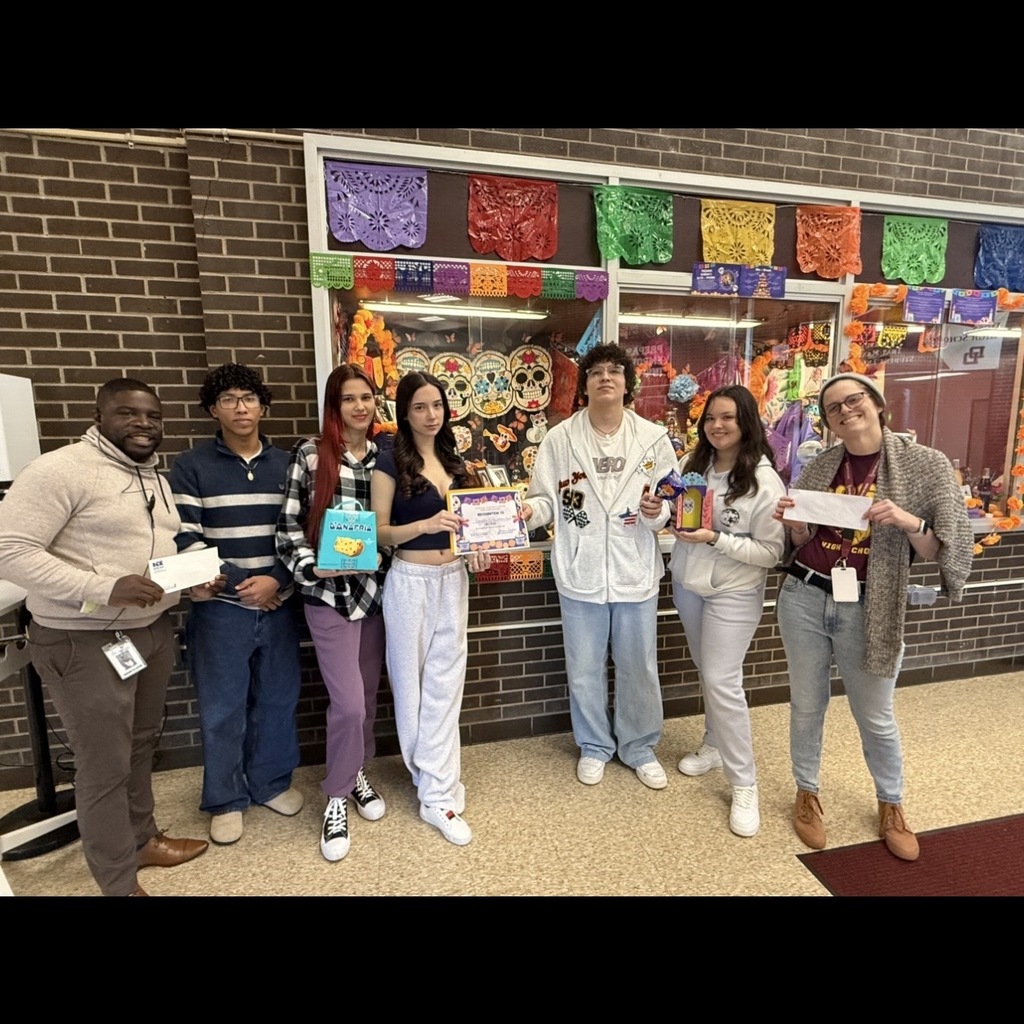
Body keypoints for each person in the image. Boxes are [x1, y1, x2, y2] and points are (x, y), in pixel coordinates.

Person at [0, 378, 208, 896]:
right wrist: (102, 587)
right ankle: (117, 882)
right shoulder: (58, 471)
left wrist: (188, 578)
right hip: (83, 640)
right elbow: (11, 551)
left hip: (149, 630)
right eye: (128, 413)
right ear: (98, 415)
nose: (143, 424)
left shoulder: (151, 477)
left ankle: (142, 840)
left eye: (153, 416)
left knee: (140, 746)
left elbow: (147, 551)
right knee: (102, 766)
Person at [773, 372, 973, 861]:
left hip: (870, 602)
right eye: (834, 408)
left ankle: (892, 804)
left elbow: (940, 546)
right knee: (806, 704)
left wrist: (909, 521)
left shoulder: (925, 465)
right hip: (804, 595)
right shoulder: (821, 464)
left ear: (878, 403)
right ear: (829, 423)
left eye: (853, 400)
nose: (845, 411)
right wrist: (796, 528)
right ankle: (807, 791)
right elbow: (800, 542)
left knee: (876, 715)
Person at [523, 343, 678, 789]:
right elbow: (544, 499)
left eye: (614, 371)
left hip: (634, 571)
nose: (605, 377)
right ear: (585, 384)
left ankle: (639, 745)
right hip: (581, 570)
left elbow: (670, 502)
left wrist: (657, 514)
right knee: (585, 667)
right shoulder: (560, 439)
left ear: (628, 384)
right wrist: (531, 513)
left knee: (639, 666)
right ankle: (593, 744)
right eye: (596, 372)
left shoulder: (652, 439)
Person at [169, 364, 302, 846]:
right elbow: (185, 535)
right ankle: (225, 798)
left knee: (277, 697)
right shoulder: (191, 465)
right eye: (229, 400)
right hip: (221, 608)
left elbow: (305, 532)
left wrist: (277, 581)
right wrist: (247, 584)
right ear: (212, 409)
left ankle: (269, 783)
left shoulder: (289, 464)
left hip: (281, 602)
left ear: (263, 405)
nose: (241, 407)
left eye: (249, 398)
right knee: (223, 707)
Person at [371, 372, 490, 846]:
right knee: (411, 684)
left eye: (437, 405)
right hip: (410, 581)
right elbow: (378, 532)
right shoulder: (389, 462)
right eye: (420, 407)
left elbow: (471, 526)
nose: (431, 414)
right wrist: (423, 522)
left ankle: (436, 784)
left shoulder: (454, 461)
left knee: (446, 680)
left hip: (452, 579)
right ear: (405, 412)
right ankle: (431, 782)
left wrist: (477, 548)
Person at [277, 364, 388, 862]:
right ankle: (335, 796)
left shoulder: (385, 459)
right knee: (348, 705)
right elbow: (286, 528)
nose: (359, 406)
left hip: (376, 595)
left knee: (366, 697)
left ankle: (357, 770)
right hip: (328, 599)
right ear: (334, 405)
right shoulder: (311, 453)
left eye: (366, 396)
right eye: (348, 399)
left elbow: (391, 528)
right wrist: (311, 568)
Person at [668, 385, 785, 838]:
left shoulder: (762, 480)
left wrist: (715, 539)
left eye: (728, 418)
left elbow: (770, 552)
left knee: (722, 681)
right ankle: (714, 743)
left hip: (733, 593)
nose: (717, 426)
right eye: (711, 418)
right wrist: (657, 511)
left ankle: (744, 782)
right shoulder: (691, 466)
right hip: (688, 585)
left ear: (746, 423)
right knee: (708, 673)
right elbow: (674, 520)